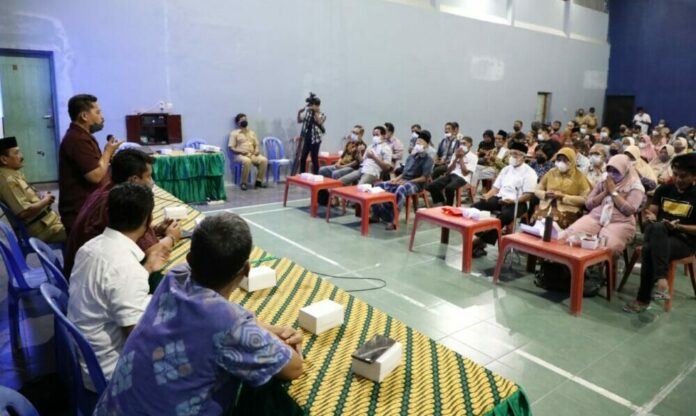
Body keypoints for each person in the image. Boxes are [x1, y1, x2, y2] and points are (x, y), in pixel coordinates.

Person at [93, 213, 303, 414]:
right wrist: (279, 337)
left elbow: (221, 315)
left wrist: (266, 329)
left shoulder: (175, 277)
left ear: (189, 259)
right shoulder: (231, 325)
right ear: (247, 270)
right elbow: (294, 367)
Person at [68, 183, 169, 388]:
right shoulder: (125, 267)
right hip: (108, 371)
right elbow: (137, 338)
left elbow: (112, 287)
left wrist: (147, 268)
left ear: (108, 213)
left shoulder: (90, 247)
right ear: (148, 220)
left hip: (83, 357)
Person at [63, 149, 181, 278]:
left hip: (81, 269)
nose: (151, 181)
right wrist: (172, 237)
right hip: (97, 274)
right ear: (133, 179)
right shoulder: (125, 202)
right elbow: (153, 252)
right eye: (148, 176)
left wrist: (155, 230)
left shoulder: (106, 190)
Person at [624, 154, 696, 313]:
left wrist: (679, 227)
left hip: (684, 241)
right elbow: (652, 214)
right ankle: (661, 278)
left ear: (694, 176)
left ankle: (643, 298)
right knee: (656, 228)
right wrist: (650, 217)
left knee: (649, 249)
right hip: (659, 233)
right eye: (675, 174)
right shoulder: (664, 189)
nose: (678, 179)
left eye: (683, 176)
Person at [58, 94, 123, 233]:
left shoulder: (83, 136)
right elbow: (95, 176)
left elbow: (97, 165)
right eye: (98, 112)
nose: (102, 117)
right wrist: (108, 151)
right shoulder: (77, 140)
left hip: (90, 208)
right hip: (82, 215)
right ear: (84, 116)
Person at [561, 155, 645, 255]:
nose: (611, 174)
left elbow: (629, 210)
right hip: (596, 217)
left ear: (625, 171)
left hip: (620, 222)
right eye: (609, 170)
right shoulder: (604, 181)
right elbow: (588, 204)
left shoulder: (635, 186)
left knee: (607, 248)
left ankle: (598, 263)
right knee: (570, 236)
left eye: (616, 171)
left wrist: (613, 192)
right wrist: (605, 192)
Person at [471, 142, 538, 257]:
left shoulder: (530, 172)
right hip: (500, 198)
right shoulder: (506, 169)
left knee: (504, 216)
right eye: (512, 154)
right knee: (475, 207)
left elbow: (528, 195)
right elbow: (495, 188)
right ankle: (480, 235)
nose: (513, 157)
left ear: (523, 157)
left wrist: (513, 201)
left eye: (516, 154)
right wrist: (487, 195)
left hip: (518, 202)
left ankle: (481, 241)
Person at [0, 136, 66, 243]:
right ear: (4, 159)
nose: (21, 156)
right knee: (84, 232)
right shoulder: (8, 180)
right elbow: (24, 212)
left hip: (49, 223)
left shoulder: (14, 174)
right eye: (16, 153)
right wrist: (46, 200)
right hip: (44, 230)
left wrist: (43, 199)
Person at [371, 130, 434, 230]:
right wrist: (395, 179)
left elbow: (424, 178)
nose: (418, 144)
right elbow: (404, 173)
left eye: (421, 142)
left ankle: (393, 221)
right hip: (404, 180)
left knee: (401, 189)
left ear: (426, 145)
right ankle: (376, 214)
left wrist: (407, 182)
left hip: (417, 184)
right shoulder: (411, 157)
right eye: (417, 142)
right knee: (379, 186)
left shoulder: (428, 159)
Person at [533, 148, 591, 229]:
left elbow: (585, 199)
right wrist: (545, 194)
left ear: (572, 161)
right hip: (547, 204)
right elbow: (537, 189)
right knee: (537, 220)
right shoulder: (551, 172)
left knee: (555, 223)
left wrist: (563, 197)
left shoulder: (580, 177)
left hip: (568, 207)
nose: (561, 162)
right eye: (559, 160)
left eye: (565, 160)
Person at [425, 136, 477, 206]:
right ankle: (441, 202)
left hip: (463, 178)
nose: (462, 145)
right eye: (461, 143)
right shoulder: (456, 154)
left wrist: (461, 158)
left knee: (449, 188)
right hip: (452, 175)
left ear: (470, 145)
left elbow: (465, 173)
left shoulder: (473, 157)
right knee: (431, 186)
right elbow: (449, 170)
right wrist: (456, 158)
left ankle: (449, 205)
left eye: (464, 143)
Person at [228, 113, 268, 191]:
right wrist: (241, 151)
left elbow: (256, 144)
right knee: (247, 161)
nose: (244, 121)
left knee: (264, 160)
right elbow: (231, 148)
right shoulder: (234, 133)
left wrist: (257, 150)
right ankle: (243, 183)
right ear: (238, 122)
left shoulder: (252, 132)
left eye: (245, 119)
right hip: (240, 155)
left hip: (252, 154)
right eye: (242, 120)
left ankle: (258, 182)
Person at [296, 94, 326, 174]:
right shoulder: (308, 113)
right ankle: (302, 174)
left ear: (318, 106)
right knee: (303, 157)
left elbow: (319, 121)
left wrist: (315, 112)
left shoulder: (322, 115)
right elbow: (299, 121)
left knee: (314, 158)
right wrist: (299, 112)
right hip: (307, 138)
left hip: (316, 140)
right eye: (311, 105)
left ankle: (316, 175)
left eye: (313, 105)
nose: (311, 107)